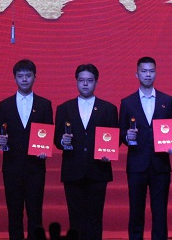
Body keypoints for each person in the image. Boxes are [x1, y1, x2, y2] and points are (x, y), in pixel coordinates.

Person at [54, 64, 119, 240]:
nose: (85, 84)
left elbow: (115, 137)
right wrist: (62, 141)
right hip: (73, 169)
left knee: (95, 217)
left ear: (96, 82)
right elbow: (56, 138)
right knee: (75, 217)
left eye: (89, 81)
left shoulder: (108, 108)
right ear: (76, 82)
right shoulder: (64, 108)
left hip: (98, 169)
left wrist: (110, 152)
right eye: (81, 80)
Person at [0, 59, 54, 240]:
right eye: (20, 76)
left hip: (35, 167)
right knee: (14, 212)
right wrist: (1, 140)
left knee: (35, 212)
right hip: (12, 167)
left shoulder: (44, 104)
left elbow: (48, 132)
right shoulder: (5, 104)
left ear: (35, 77)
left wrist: (45, 149)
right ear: (14, 79)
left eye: (28, 76)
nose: (24, 79)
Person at [119, 56, 172, 240]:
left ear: (156, 73)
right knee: (136, 210)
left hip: (160, 164)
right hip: (137, 164)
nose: (148, 74)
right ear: (137, 74)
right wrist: (127, 136)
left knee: (160, 211)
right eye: (144, 71)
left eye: (151, 71)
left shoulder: (167, 101)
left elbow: (170, 129)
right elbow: (121, 132)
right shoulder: (127, 102)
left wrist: (171, 144)